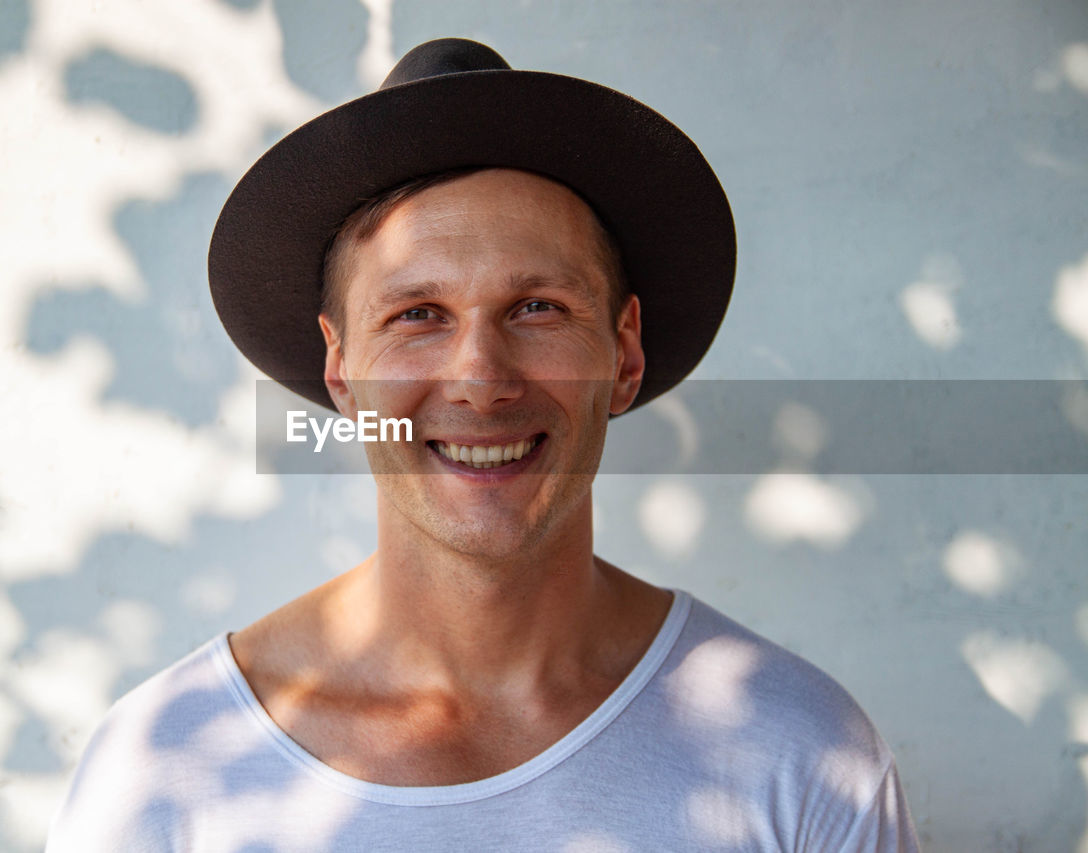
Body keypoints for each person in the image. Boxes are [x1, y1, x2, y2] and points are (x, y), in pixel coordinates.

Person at [46, 38, 919, 851]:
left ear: (624, 354)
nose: (481, 377)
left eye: (537, 306)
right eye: (417, 315)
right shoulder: (167, 769)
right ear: (342, 376)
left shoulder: (798, 751)